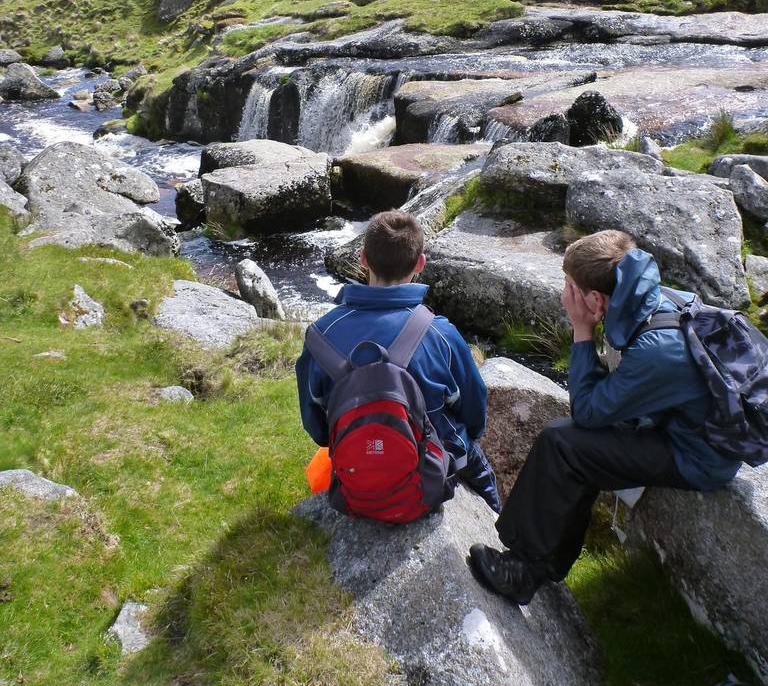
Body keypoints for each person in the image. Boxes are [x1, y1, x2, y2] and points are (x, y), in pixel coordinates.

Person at [469, 229, 742, 603]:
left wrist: (582, 330)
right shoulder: (651, 299)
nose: (567, 296)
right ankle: (549, 562)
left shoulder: (656, 349)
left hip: (697, 455)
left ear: (595, 298)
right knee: (581, 448)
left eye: (570, 288)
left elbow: (587, 411)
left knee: (562, 444)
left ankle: (524, 569)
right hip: (678, 424)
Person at [296, 209, 501, 513]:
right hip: (435, 466)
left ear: (363, 258)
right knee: (484, 478)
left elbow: (316, 427)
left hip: (355, 467)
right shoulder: (440, 333)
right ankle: (492, 527)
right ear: (420, 264)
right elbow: (474, 411)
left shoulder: (320, 335)